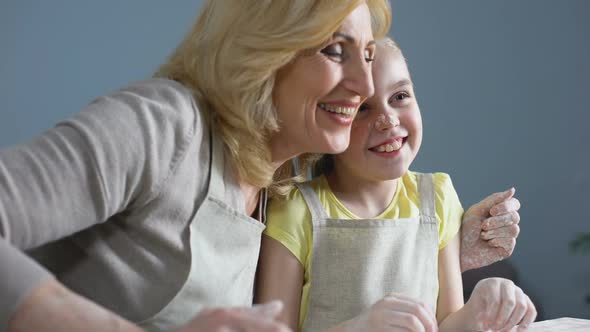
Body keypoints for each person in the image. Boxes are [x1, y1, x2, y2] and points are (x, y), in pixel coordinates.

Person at [0, 1, 391, 331]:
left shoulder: (277, 189)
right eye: (335, 50)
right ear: (262, 51)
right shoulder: (163, 124)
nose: (366, 84)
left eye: (369, 56)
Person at [255, 37, 534, 332]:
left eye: (400, 96)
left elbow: (446, 324)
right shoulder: (296, 211)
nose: (387, 120)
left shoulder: (438, 196)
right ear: (328, 120)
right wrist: (359, 327)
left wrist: (482, 307)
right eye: (362, 108)